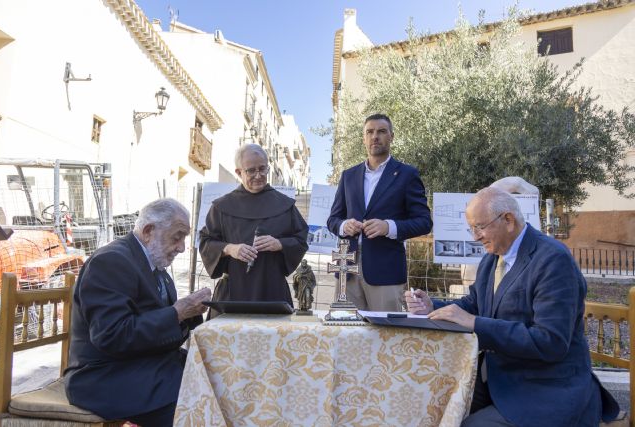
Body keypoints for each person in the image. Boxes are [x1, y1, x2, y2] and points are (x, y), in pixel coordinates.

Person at [405, 187, 619, 427]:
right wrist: (431, 306)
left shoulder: (553, 261)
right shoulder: (492, 258)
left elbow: (551, 342)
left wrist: (476, 324)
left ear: (508, 220)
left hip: (547, 389)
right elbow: (473, 304)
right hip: (502, 378)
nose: (475, 237)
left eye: (480, 227)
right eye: (472, 228)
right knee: (433, 402)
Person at [65, 198, 212, 427]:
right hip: (103, 376)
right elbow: (111, 335)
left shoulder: (156, 266)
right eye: (177, 236)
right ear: (148, 231)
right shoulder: (111, 261)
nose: (182, 247)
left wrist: (188, 312)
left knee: (212, 373)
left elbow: (158, 325)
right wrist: (178, 313)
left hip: (139, 364)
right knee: (193, 398)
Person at [327, 113, 432, 311]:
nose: (375, 136)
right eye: (370, 132)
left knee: (386, 335)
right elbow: (333, 219)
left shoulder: (407, 175)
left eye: (381, 131)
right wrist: (343, 225)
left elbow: (424, 221)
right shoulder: (348, 176)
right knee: (346, 334)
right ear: (363, 138)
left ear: (391, 136)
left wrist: (388, 227)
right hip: (347, 269)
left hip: (386, 272)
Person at [199, 143, 308, 310]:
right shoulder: (221, 206)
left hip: (272, 292)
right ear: (238, 172)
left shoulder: (285, 205)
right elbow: (206, 243)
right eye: (251, 170)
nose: (258, 175)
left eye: (262, 169)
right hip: (233, 293)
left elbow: (301, 240)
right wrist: (229, 248)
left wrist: (280, 244)